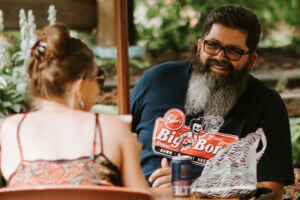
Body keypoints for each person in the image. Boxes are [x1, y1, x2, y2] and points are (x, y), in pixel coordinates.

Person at [130, 4, 294, 199]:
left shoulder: (266, 104)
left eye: (233, 51)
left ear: (251, 60)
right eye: (213, 45)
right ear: (200, 46)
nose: (220, 57)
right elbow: (114, 147)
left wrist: (196, 189)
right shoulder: (156, 81)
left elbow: (271, 191)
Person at [0, 24, 148, 189]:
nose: (99, 88)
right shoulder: (112, 129)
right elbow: (140, 196)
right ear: (79, 87)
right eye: (98, 78)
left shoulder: (12, 130)